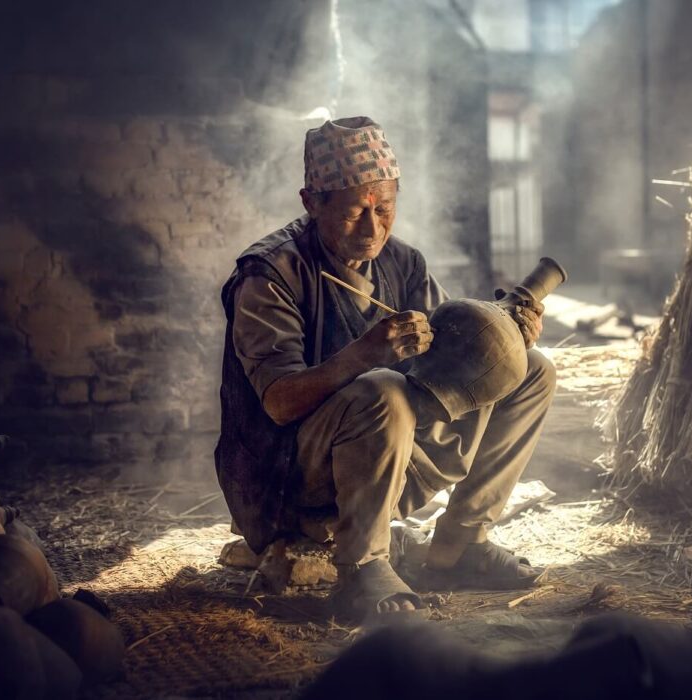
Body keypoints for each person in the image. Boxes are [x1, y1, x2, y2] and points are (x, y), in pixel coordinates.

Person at [215, 116, 556, 619]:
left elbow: (452, 355)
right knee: (382, 388)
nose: (373, 227)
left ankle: (459, 545)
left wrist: (506, 332)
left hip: (385, 459)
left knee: (530, 371)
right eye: (356, 212)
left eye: (385, 208)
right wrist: (363, 354)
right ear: (311, 202)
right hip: (286, 477)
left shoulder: (403, 263)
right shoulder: (270, 274)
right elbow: (279, 402)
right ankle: (362, 568)